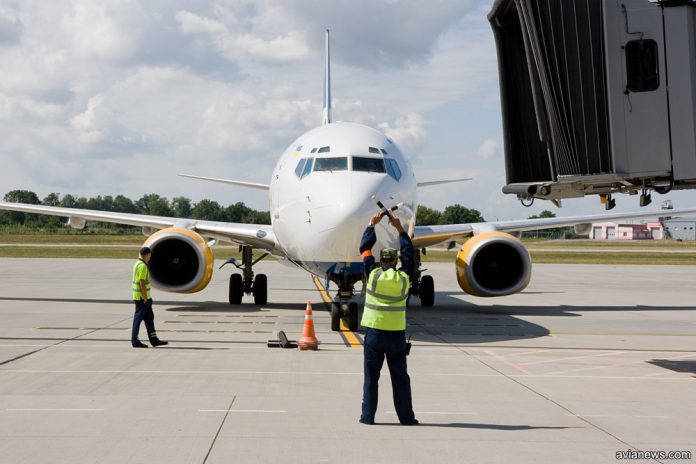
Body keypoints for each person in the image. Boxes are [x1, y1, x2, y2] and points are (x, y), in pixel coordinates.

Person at [358, 212, 417, 425]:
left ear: (381, 261)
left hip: (374, 334)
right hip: (396, 336)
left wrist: (371, 225)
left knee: (371, 377)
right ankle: (406, 418)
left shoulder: (372, 274)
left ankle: (367, 417)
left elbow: (364, 249)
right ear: (395, 262)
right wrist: (400, 229)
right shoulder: (404, 278)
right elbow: (409, 256)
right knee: (400, 378)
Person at [131, 246, 167, 348]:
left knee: (149, 318)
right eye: (150, 254)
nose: (150, 256)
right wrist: (145, 297)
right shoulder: (142, 266)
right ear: (146, 255)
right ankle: (135, 341)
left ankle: (154, 339)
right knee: (137, 320)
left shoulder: (137, 264)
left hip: (141, 297)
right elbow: (141, 282)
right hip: (142, 298)